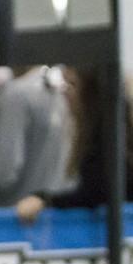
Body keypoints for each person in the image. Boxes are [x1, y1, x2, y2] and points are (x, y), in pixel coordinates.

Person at [16, 66, 133, 223]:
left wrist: (46, 200)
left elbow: (96, 191)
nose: (65, 93)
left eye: (71, 85)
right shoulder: (111, 132)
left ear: (91, 94)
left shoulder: (107, 140)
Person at [0, 66, 71, 207]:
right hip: (61, 216)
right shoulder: (65, 90)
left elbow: (2, 175)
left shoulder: (17, 95)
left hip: (17, 219)